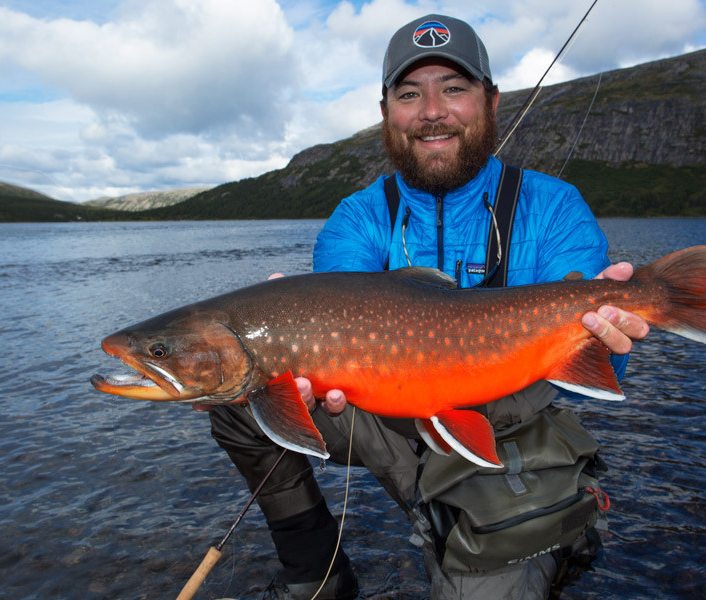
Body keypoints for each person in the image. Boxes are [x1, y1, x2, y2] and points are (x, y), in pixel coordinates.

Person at [202, 14, 649, 600]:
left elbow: (595, 362)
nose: (431, 110)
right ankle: (316, 570)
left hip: (504, 428)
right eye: (410, 93)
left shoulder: (553, 207)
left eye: (454, 89)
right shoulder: (358, 217)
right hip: (383, 415)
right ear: (387, 111)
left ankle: (501, 528)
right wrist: (292, 327)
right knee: (239, 397)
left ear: (491, 101)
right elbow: (332, 334)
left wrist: (609, 341)